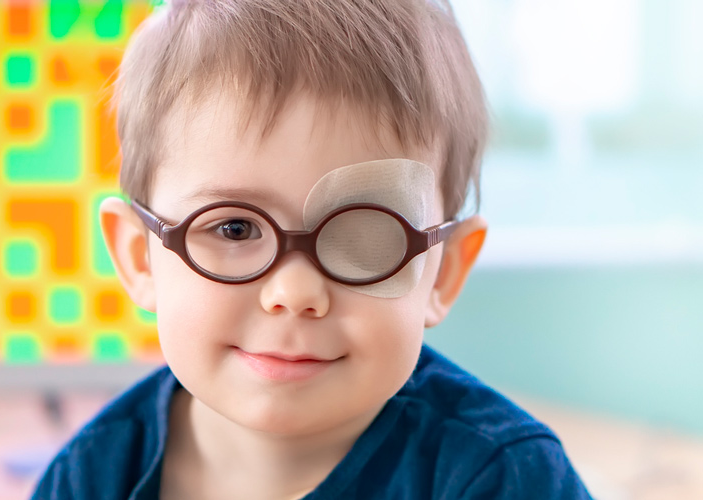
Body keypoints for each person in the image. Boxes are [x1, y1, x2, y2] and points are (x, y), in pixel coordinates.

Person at [31, 0, 593, 498]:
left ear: (442, 273)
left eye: (367, 235)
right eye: (234, 229)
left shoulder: (505, 478)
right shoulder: (92, 476)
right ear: (138, 256)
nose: (295, 292)